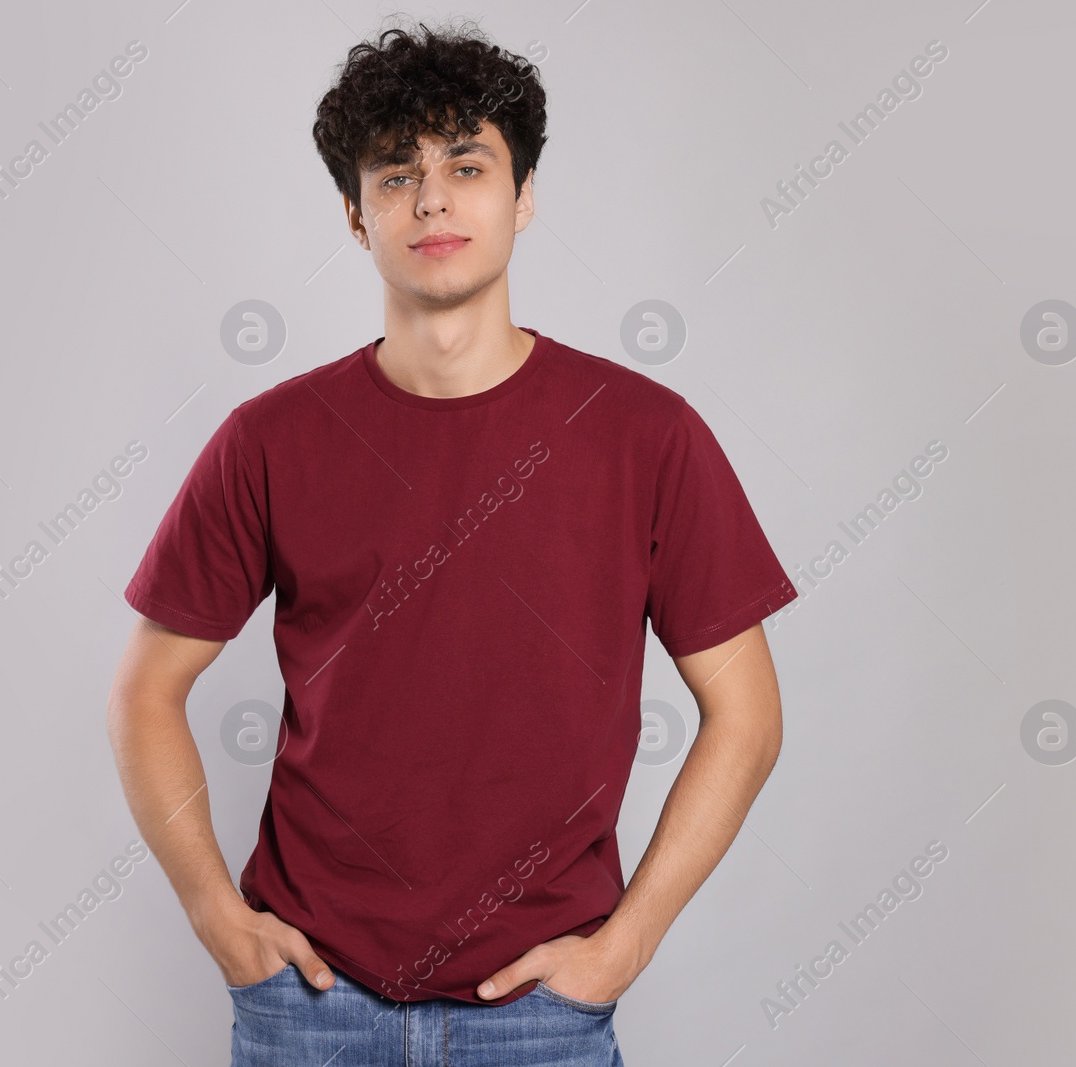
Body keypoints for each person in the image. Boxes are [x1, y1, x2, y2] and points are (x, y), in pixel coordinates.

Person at [107, 18, 799, 1066]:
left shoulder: (644, 435)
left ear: (521, 198)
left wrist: (627, 943)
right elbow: (143, 690)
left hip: (541, 1015)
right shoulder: (270, 440)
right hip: (310, 1005)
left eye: (466, 166)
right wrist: (218, 918)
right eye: (396, 174)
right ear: (355, 215)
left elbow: (745, 714)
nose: (431, 199)